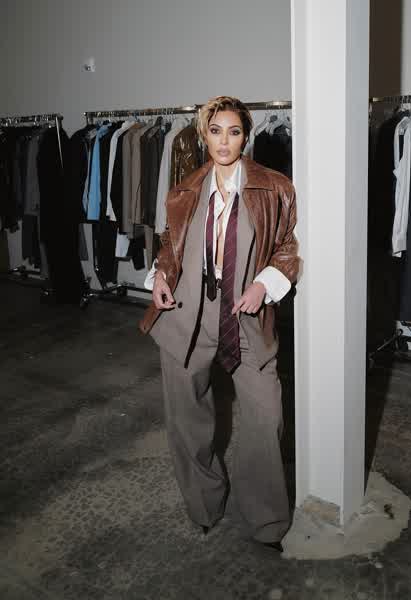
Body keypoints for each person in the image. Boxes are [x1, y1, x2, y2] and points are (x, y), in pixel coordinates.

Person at [139, 96, 300, 552]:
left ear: (246, 135)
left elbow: (288, 247)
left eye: (234, 131)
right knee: (186, 419)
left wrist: (264, 285)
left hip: (246, 316)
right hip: (187, 312)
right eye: (215, 131)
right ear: (203, 135)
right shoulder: (184, 190)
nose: (224, 141)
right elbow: (169, 243)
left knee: (266, 420)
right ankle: (204, 505)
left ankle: (267, 521)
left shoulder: (275, 187)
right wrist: (161, 276)